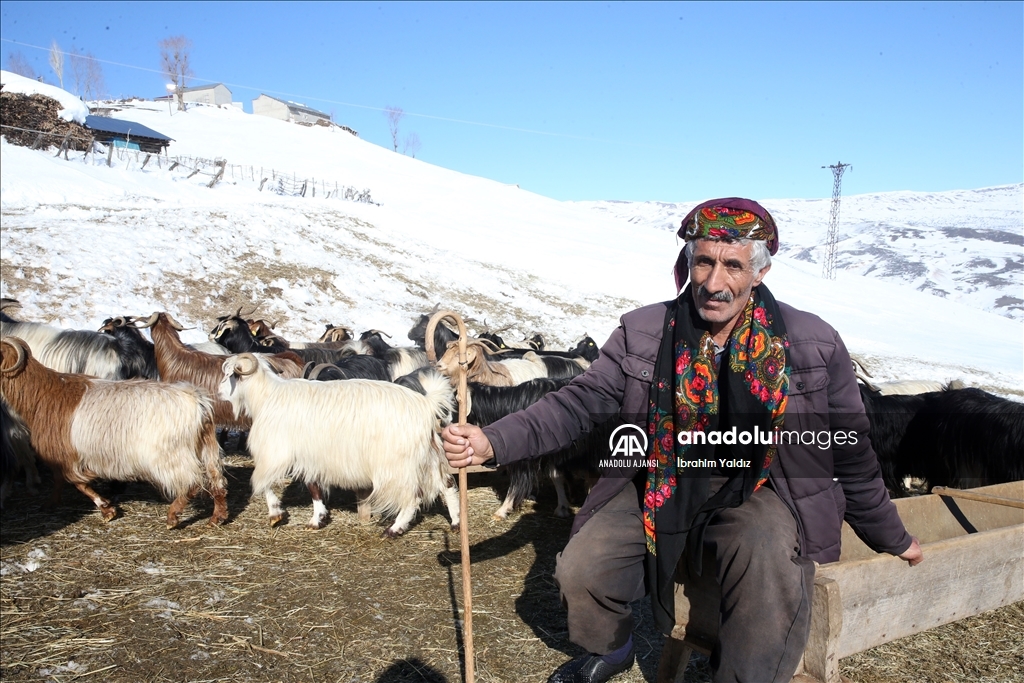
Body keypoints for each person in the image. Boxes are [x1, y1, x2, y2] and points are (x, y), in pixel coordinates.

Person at [442, 198, 923, 683]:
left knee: (764, 555)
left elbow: (852, 447)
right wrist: (492, 441)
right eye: (704, 262)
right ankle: (611, 649)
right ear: (688, 263)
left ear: (759, 273)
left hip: (760, 489)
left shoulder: (812, 343)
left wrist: (891, 535)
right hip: (661, 478)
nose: (714, 283)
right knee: (582, 568)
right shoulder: (644, 332)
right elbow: (577, 403)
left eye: (732, 265)